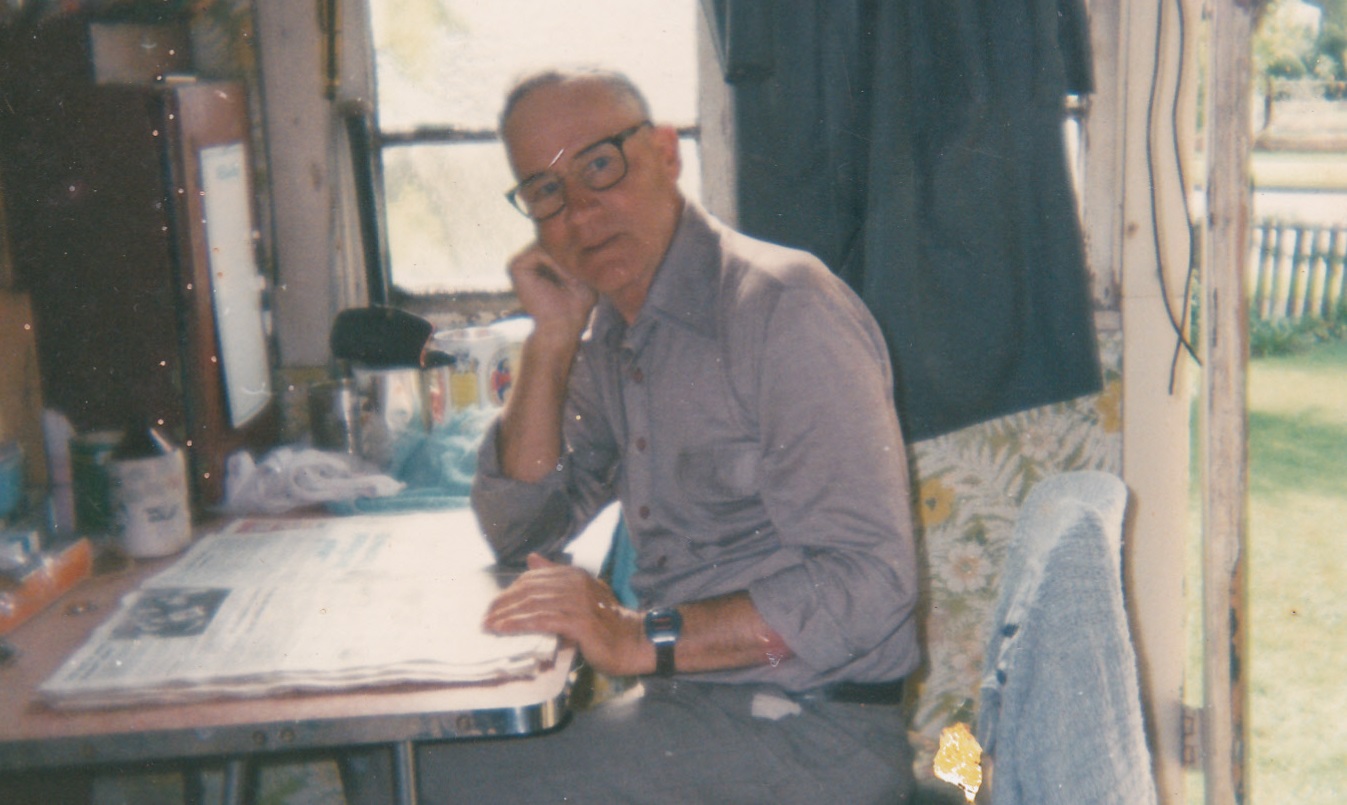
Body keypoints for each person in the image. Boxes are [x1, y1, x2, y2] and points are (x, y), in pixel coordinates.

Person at [356, 66, 921, 803]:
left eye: (599, 164)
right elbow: (521, 527)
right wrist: (553, 339)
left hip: (814, 729)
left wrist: (638, 635)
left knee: (408, 782)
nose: (581, 212)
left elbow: (872, 585)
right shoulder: (620, 331)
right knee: (389, 764)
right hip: (698, 710)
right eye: (545, 191)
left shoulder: (782, 310)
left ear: (664, 152)